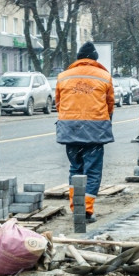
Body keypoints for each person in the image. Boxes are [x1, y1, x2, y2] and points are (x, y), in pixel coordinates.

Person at [55, 41, 114, 223]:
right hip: (95, 130)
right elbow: (110, 104)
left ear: (78, 58)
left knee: (76, 168)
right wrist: (105, 121)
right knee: (92, 170)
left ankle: (76, 208)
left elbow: (58, 103)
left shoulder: (63, 77)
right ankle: (86, 210)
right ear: (95, 59)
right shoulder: (104, 76)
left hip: (70, 129)